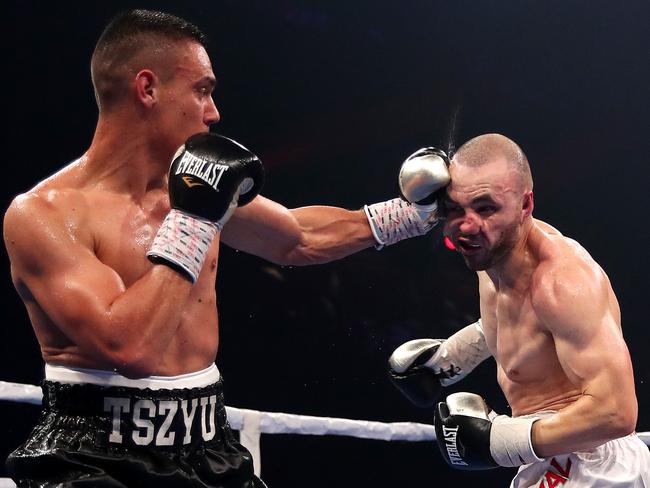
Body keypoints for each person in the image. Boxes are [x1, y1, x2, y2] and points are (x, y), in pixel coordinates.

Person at [2, 9, 450, 488]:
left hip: (207, 444)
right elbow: (128, 346)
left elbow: (299, 238)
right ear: (147, 89)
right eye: (202, 90)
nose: (213, 112)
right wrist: (194, 220)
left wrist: (414, 215)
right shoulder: (44, 215)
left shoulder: (196, 188)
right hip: (93, 456)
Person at [388, 133, 650, 486]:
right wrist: (450, 359)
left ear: (525, 205)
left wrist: (500, 443)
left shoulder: (562, 282)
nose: (466, 225)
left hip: (593, 460)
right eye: (454, 209)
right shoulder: (491, 258)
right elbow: (516, 323)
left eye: (485, 208)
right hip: (549, 456)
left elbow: (617, 413)